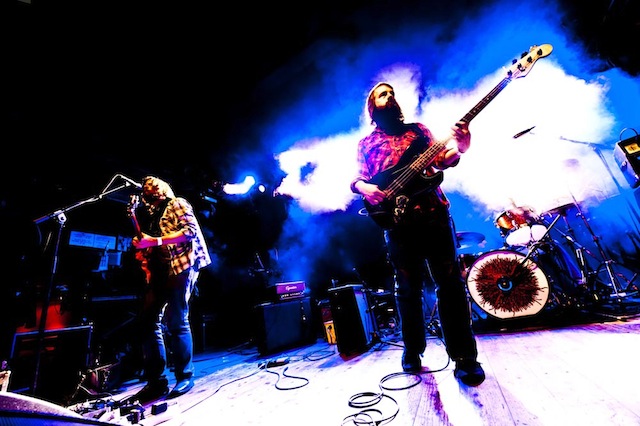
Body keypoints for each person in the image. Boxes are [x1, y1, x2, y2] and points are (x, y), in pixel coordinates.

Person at [350, 82, 485, 386]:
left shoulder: (418, 131)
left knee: (450, 285)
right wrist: (364, 188)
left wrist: (462, 145)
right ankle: (412, 350)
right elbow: (358, 178)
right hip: (398, 223)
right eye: (382, 94)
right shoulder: (367, 143)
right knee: (406, 289)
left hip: (434, 214)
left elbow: (442, 160)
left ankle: (465, 358)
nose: (389, 96)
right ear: (372, 106)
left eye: (391, 93)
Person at [130, 175, 212, 401]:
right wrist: (142, 246)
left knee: (177, 320)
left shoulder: (177, 203)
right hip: (159, 270)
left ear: (162, 188)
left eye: (153, 185)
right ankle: (156, 381)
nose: (149, 189)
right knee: (147, 321)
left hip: (181, 266)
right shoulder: (151, 215)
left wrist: (154, 241)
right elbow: (150, 244)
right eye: (146, 187)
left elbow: (190, 232)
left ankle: (185, 376)